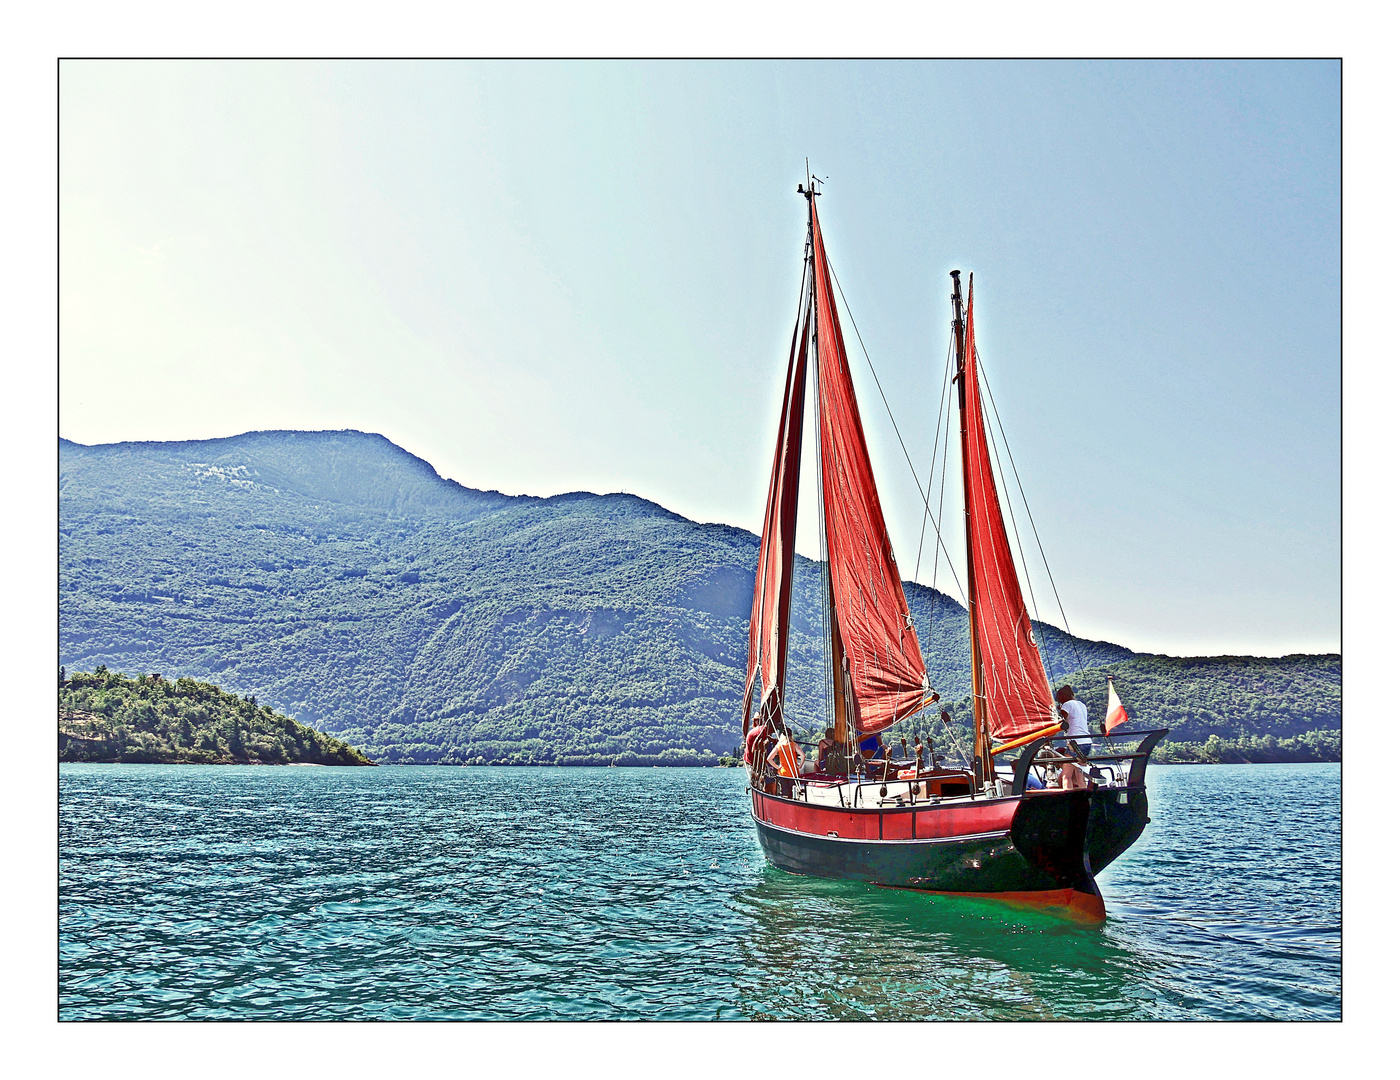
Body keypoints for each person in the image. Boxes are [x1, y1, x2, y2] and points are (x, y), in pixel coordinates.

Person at [766, 726, 805, 797]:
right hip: (793, 772)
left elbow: (769, 759)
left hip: (783, 772)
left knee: (784, 793)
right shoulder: (794, 745)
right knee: (794, 793)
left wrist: (777, 767)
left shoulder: (779, 746)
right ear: (791, 735)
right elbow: (803, 756)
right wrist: (800, 765)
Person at [1055, 685, 1092, 756]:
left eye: (1059, 700)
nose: (1060, 703)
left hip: (1076, 742)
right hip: (1087, 741)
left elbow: (1060, 721)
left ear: (1064, 697)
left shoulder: (1066, 705)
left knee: (1069, 765)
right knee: (1079, 764)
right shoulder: (1082, 705)